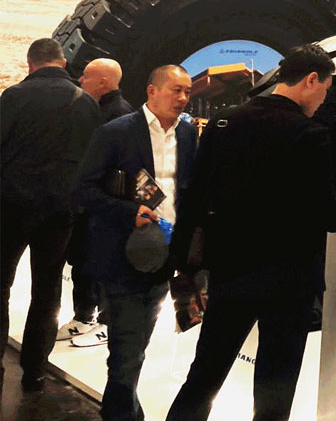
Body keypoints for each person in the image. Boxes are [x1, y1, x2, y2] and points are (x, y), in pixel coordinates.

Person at [165, 43, 336, 421]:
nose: (322, 101)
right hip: (288, 282)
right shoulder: (310, 133)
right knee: (275, 386)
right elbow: (325, 213)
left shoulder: (224, 122)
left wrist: (182, 260)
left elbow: (193, 196)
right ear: (311, 80)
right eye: (324, 90)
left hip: (230, 272)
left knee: (205, 374)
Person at [75, 64, 196, 421]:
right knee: (127, 348)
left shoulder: (187, 133)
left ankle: (122, 410)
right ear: (152, 91)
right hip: (122, 254)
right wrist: (129, 212)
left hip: (166, 255)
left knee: (136, 345)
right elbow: (83, 189)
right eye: (176, 90)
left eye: (188, 92)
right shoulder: (116, 132)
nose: (183, 98)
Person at [0, 37, 101, 393]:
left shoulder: (13, 97)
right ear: (63, 63)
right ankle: (35, 372)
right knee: (47, 291)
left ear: (31, 64)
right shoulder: (86, 102)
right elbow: (93, 160)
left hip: (11, 207)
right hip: (60, 211)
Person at [57, 59, 134, 348]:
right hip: (87, 203)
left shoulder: (121, 114)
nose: (80, 80)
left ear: (103, 81)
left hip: (105, 206)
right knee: (82, 260)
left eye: (87, 76)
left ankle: (107, 323)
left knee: (105, 264)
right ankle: (84, 316)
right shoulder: (94, 109)